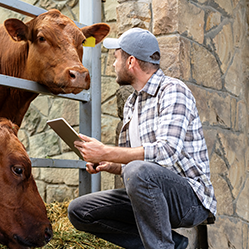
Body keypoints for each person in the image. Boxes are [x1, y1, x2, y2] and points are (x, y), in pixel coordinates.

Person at [69, 28, 217, 249]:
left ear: (130, 62)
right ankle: (173, 244)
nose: (113, 65)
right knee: (80, 211)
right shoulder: (132, 104)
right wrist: (109, 164)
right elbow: (136, 168)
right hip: (150, 193)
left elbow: (166, 153)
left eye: (116, 57)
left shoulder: (173, 91)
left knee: (137, 170)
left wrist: (106, 151)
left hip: (190, 200)